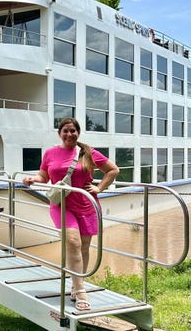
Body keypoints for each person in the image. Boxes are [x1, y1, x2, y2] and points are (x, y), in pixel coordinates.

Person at [22, 117, 119, 310]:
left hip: (86, 205)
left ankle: (76, 284)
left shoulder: (88, 153)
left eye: (73, 131)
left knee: (83, 246)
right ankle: (81, 290)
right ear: (60, 133)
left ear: (78, 133)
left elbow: (113, 170)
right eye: (65, 130)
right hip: (61, 205)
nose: (69, 134)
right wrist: (33, 178)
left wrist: (99, 188)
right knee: (73, 242)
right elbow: (44, 176)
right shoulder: (50, 153)